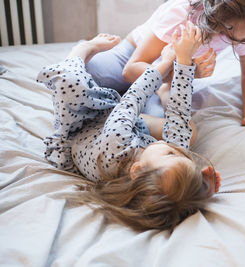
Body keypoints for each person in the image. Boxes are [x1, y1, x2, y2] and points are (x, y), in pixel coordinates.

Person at [37, 24, 221, 232]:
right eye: (185, 158)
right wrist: (198, 187)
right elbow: (179, 114)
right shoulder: (161, 164)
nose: (177, 150)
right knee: (186, 130)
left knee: (70, 84)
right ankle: (162, 93)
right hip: (128, 126)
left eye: (171, 153)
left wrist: (168, 62)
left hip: (83, 124)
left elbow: (132, 99)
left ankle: (84, 48)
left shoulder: (116, 146)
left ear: (137, 169)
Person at [85, 0, 245, 131]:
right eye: (234, 34)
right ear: (226, 16)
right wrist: (185, 71)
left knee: (164, 130)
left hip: (166, 76)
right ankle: (89, 51)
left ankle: (154, 94)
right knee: (93, 77)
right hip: (134, 59)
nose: (244, 41)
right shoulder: (182, 13)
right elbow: (131, 70)